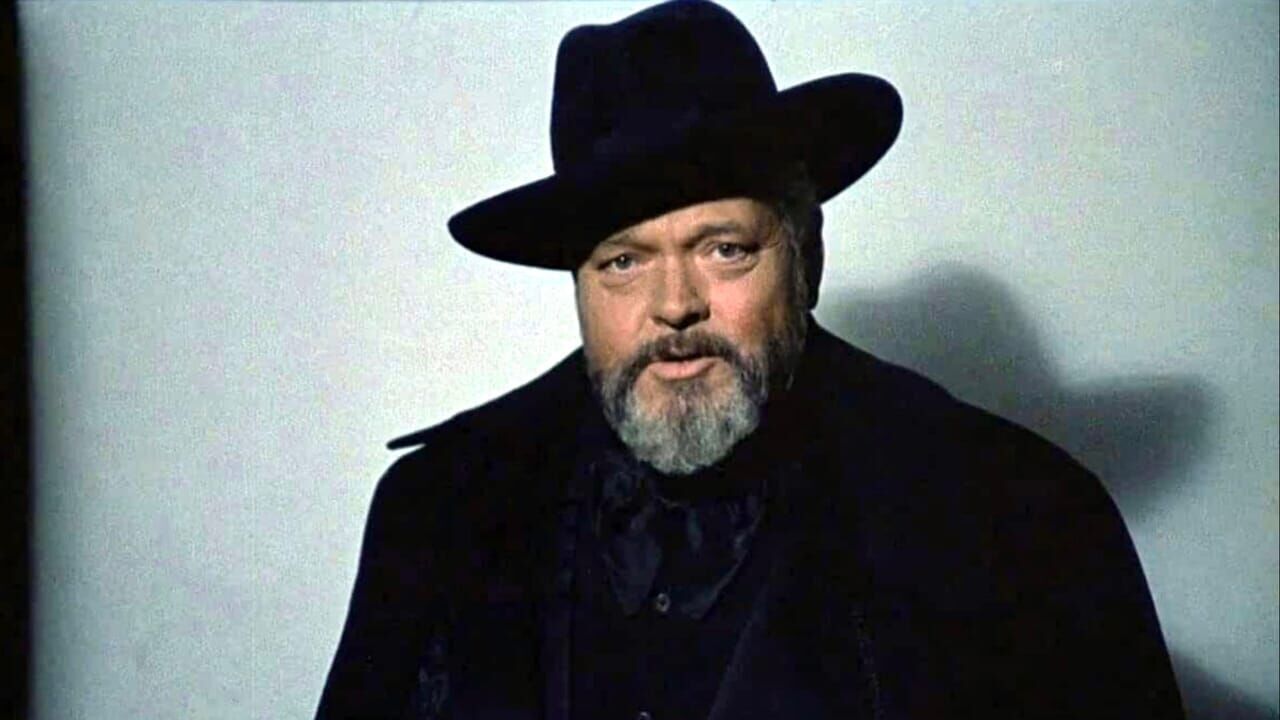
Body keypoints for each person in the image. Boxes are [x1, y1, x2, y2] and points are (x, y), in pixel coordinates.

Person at [317, 2, 1185, 718]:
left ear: (808, 255)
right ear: (579, 284)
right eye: (622, 262)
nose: (674, 304)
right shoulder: (440, 514)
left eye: (724, 248)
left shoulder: (1020, 520)